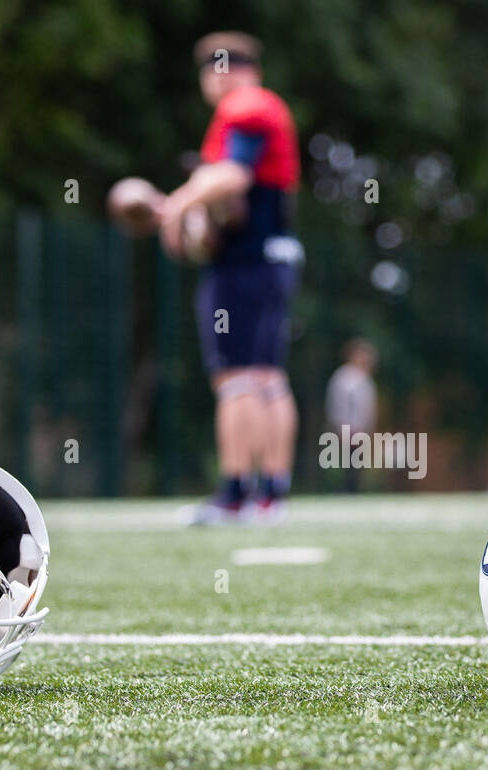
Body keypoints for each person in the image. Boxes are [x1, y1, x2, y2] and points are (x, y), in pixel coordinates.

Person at [160, 31, 304, 524]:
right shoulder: (265, 109)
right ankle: (271, 497)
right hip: (271, 256)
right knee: (267, 376)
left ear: (217, 71)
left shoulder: (245, 106)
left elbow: (233, 176)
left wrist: (177, 205)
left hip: (247, 266)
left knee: (236, 378)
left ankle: (235, 493)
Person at [324, 339, 378, 492]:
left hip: (359, 427)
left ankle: (352, 488)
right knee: (349, 460)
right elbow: (339, 403)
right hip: (349, 426)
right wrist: (341, 424)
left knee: (357, 460)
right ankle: (347, 488)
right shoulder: (345, 377)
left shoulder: (363, 378)